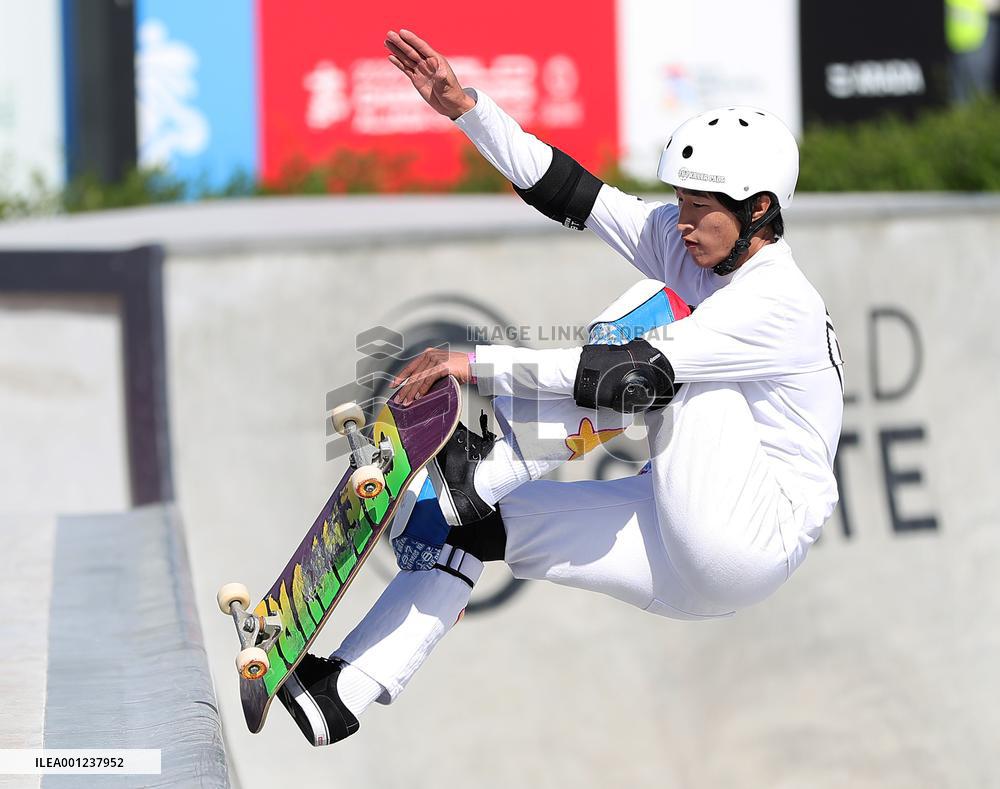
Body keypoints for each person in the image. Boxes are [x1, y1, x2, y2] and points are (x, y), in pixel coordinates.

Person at [275, 29, 845, 746]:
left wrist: (475, 364)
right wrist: (467, 109)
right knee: (457, 528)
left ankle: (490, 466)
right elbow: (573, 192)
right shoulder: (690, 239)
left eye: (702, 208)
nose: (683, 222)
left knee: (659, 336)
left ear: (759, 208)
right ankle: (343, 689)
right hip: (676, 545)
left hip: (750, 533)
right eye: (678, 201)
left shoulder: (777, 301)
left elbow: (627, 377)